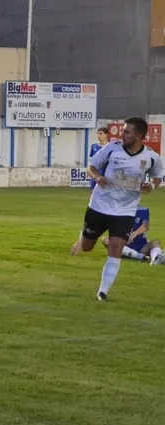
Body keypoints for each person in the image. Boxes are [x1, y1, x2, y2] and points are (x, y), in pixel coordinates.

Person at [69, 117, 163, 301]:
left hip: (125, 210)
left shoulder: (151, 157)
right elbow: (91, 167)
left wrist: (151, 186)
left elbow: (157, 177)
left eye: (127, 131)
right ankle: (83, 236)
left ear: (139, 136)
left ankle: (102, 292)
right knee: (87, 247)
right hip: (99, 205)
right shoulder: (112, 148)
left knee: (116, 246)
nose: (122, 134)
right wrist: (97, 177)